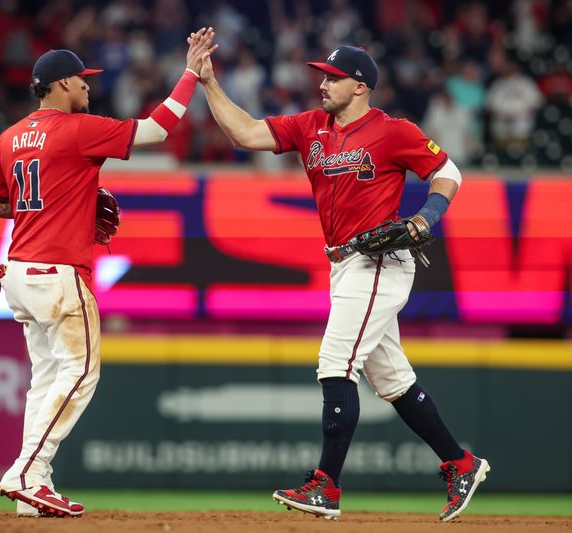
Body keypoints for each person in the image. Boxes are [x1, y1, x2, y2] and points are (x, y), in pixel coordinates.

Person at [197, 43, 490, 522]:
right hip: (343, 263)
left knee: (335, 362)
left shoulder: (392, 132)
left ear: (360, 85)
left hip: (379, 261)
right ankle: (461, 463)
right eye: (322, 76)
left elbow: (447, 171)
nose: (322, 84)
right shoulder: (311, 126)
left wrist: (426, 217)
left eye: (332, 77)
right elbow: (246, 133)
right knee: (393, 380)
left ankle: (326, 486)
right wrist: (209, 83)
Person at [0, 29, 217, 518]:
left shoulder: (9, 136)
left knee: (45, 380)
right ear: (61, 83)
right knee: (82, 371)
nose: (88, 87)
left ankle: (34, 487)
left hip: (19, 270)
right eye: (82, 80)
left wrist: (45, 209)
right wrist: (191, 74)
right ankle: (26, 470)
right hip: (57, 271)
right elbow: (158, 129)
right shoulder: (76, 129)